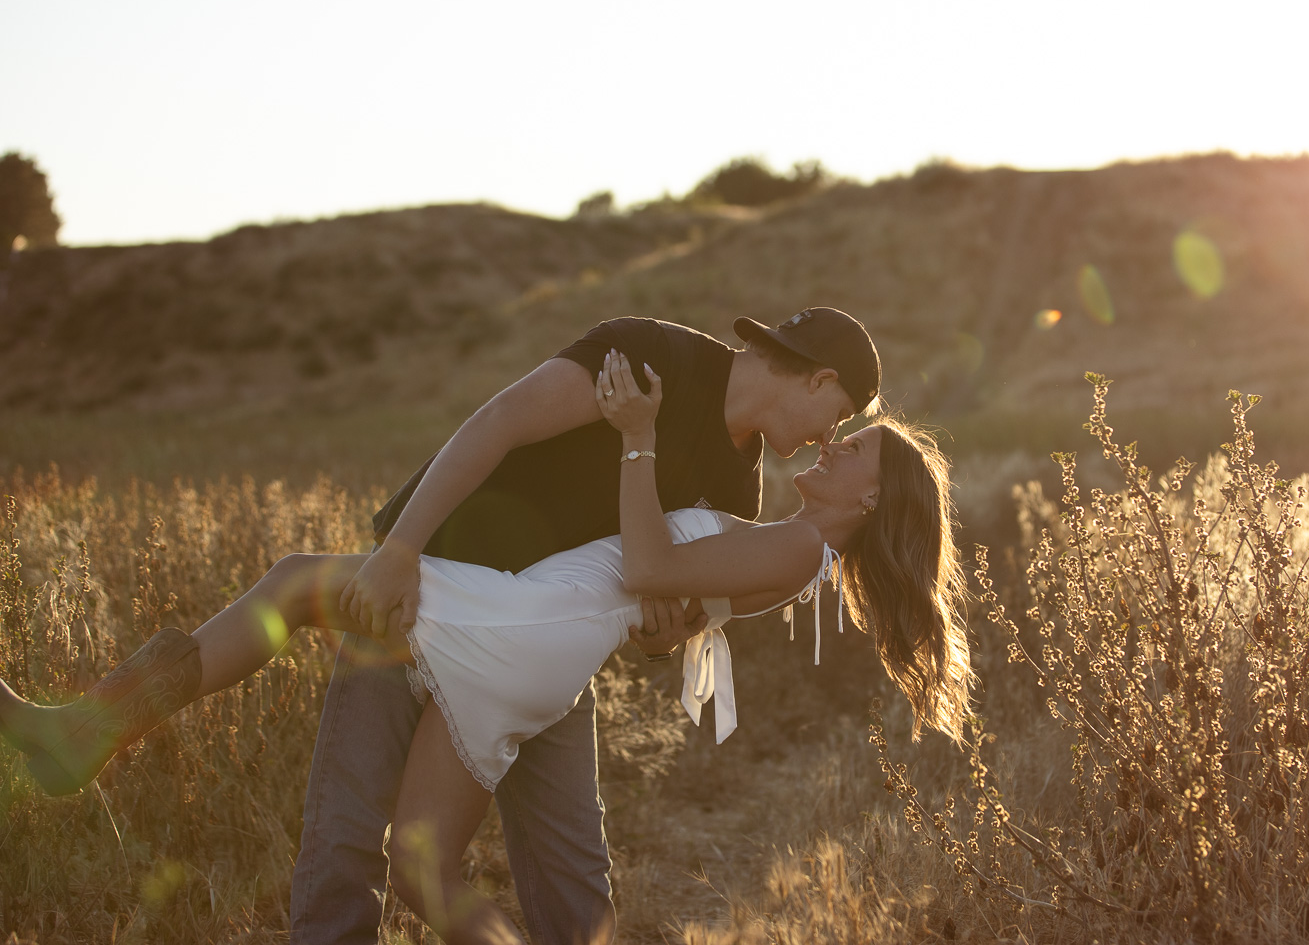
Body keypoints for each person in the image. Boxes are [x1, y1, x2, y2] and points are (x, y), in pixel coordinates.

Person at [0, 352, 973, 944]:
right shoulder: (795, 554)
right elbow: (670, 604)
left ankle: (85, 734)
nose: (833, 447)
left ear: (872, 498)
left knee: (299, 581)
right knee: (425, 874)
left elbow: (641, 566)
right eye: (843, 434)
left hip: (522, 625)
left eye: (855, 450)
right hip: (540, 656)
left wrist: (637, 434)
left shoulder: (804, 545)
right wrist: (676, 609)